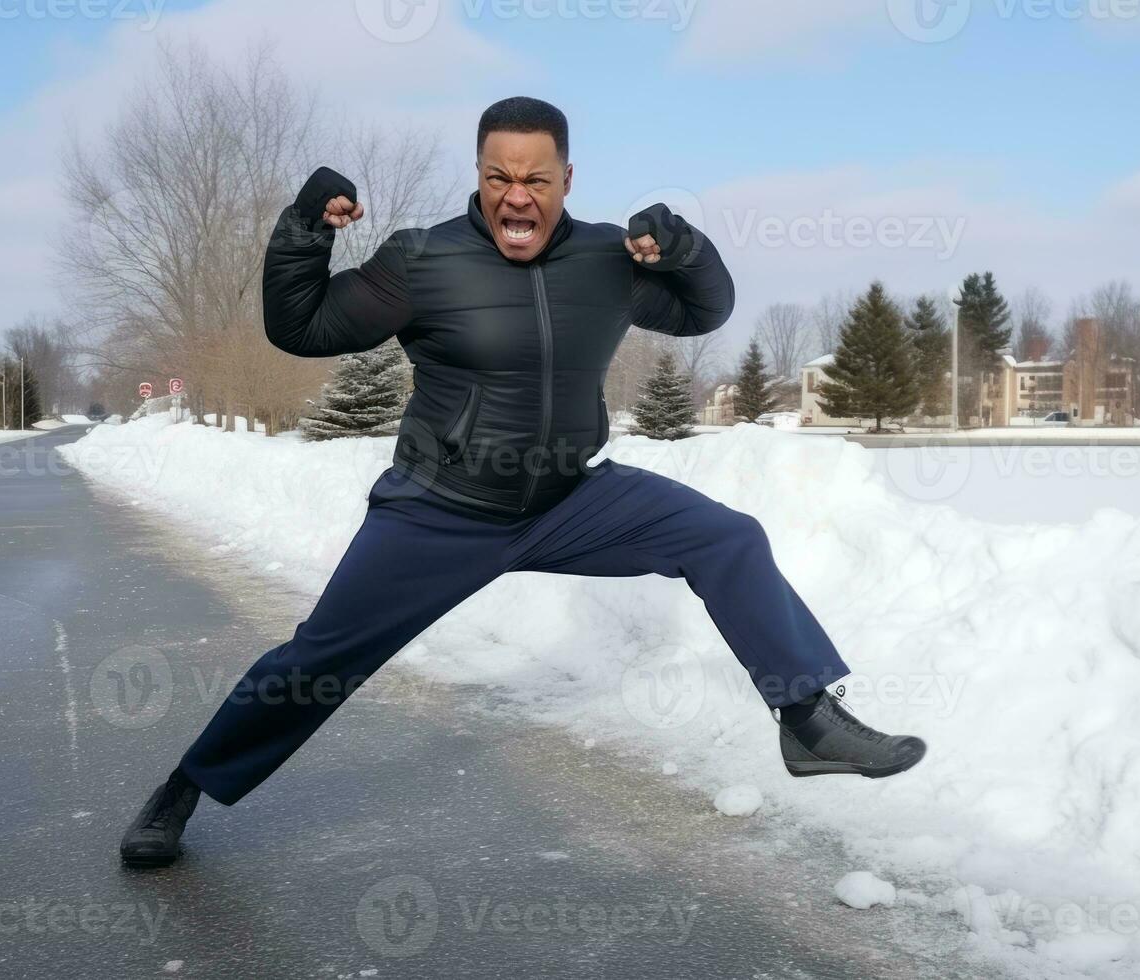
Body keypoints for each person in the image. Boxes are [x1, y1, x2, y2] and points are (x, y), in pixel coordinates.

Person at [119, 97, 926, 867]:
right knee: (316, 663)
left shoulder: (605, 260)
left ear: (565, 182)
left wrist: (687, 251)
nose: (516, 196)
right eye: (499, 177)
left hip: (570, 500)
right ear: (478, 175)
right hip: (439, 509)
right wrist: (303, 231)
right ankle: (181, 791)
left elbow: (701, 313)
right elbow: (298, 327)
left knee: (726, 536)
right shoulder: (421, 259)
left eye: (535, 180)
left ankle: (806, 719)